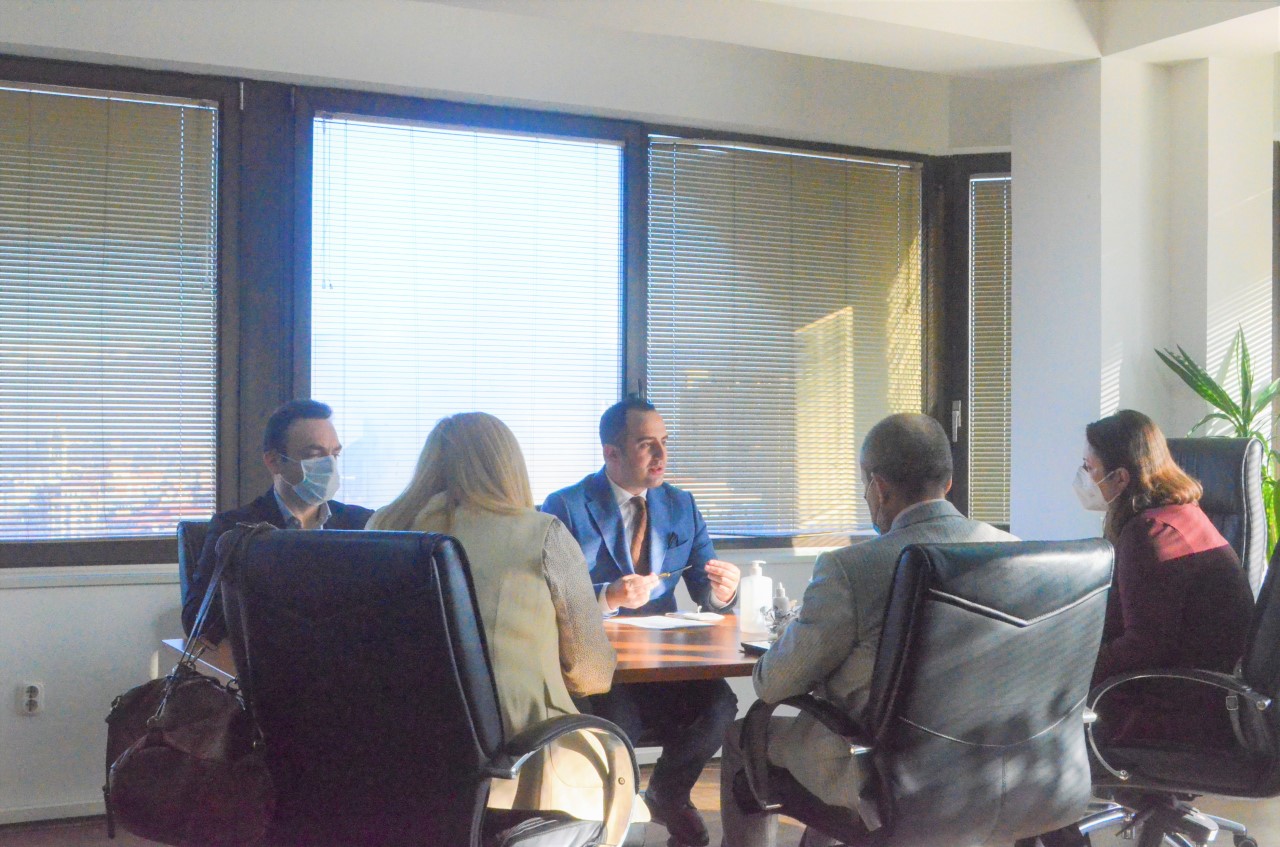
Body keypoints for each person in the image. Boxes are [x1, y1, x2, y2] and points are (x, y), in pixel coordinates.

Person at [718, 413, 1017, 847]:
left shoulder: (851, 568)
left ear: (878, 487)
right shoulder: (1013, 552)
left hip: (878, 770)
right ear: (948, 482)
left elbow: (774, 684)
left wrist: (789, 639)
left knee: (740, 737)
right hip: (994, 764)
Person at [366, 412, 618, 819]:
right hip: (517, 764)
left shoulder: (382, 528)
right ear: (508, 467)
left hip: (398, 755)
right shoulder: (543, 534)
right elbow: (592, 674)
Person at [542, 397, 741, 847]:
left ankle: (668, 794)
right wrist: (607, 597)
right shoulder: (567, 506)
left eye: (665, 442)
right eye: (646, 444)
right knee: (619, 724)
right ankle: (611, 819)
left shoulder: (681, 504)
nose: (661, 455)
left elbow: (706, 588)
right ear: (611, 453)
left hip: (666, 662)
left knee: (719, 706)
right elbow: (545, 595)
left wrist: (724, 591)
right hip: (601, 667)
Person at [1078, 409, 1253, 746]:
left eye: (1089, 467)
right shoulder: (1179, 515)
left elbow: (1143, 646)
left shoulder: (1151, 532)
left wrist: (1072, 666)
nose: (1083, 477)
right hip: (1201, 694)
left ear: (1120, 478)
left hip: (1179, 708)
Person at [181, 399, 373, 641]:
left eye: (334, 454)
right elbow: (196, 620)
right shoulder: (235, 528)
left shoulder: (361, 523)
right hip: (272, 656)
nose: (329, 465)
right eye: (314, 455)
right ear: (274, 461)